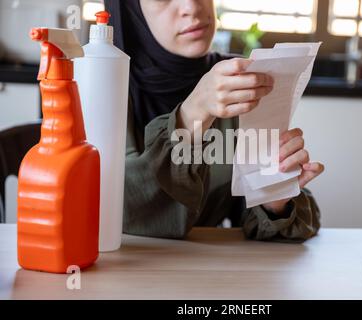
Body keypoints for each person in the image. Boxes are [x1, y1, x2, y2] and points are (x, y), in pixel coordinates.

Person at [105, 0, 324, 242]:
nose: (192, 6)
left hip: (211, 271)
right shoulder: (102, 83)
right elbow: (115, 209)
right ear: (129, 10)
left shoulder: (238, 82)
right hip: (119, 270)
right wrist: (191, 114)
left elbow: (278, 224)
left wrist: (273, 197)